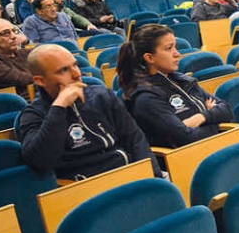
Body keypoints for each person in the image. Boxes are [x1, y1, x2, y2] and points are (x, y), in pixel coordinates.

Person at [16, 44, 162, 180]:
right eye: (63, 70)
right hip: (88, 188)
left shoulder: (101, 96)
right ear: (40, 81)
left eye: (75, 65)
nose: (76, 74)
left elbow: (135, 139)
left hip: (129, 173)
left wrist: (155, 178)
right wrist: (59, 107)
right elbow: (41, 162)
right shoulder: (33, 115)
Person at [117, 24, 234, 148]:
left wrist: (201, 117)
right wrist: (215, 119)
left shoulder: (181, 80)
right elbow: (186, 138)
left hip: (212, 144)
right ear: (150, 58)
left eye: (175, 47)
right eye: (168, 48)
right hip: (189, 157)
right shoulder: (146, 97)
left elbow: (227, 109)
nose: (177, 53)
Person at [0, 18, 33, 98]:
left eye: (14, 31)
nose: (14, 36)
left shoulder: (24, 53)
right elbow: (22, 79)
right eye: (6, 33)